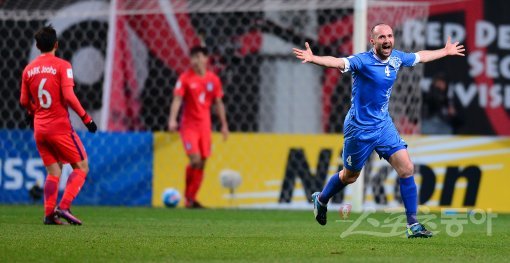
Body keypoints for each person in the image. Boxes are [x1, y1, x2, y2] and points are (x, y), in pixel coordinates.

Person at [293, 23, 464, 238]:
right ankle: (321, 199)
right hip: (359, 129)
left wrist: (445, 51)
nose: (387, 40)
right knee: (350, 176)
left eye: (390, 36)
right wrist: (314, 58)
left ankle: (412, 224)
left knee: (406, 168)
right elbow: (337, 62)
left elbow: (420, 56)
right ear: (372, 41)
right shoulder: (362, 61)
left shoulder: (397, 58)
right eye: (382, 37)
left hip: (383, 125)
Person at [20, 25, 97, 225]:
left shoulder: (28, 69)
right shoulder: (62, 65)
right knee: (81, 166)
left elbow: (23, 101)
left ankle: (49, 215)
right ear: (56, 44)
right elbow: (69, 96)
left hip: (40, 129)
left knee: (54, 171)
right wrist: (86, 119)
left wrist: (31, 112)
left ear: (37, 46)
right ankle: (64, 207)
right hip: (59, 127)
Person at [168, 46, 229, 208]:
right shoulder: (185, 78)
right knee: (194, 159)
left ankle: (190, 199)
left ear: (206, 59)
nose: (195, 61)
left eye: (198, 57)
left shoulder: (213, 80)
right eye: (192, 57)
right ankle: (188, 197)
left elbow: (218, 103)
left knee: (202, 162)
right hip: (189, 126)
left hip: (205, 126)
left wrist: (224, 125)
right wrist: (172, 119)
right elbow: (177, 99)